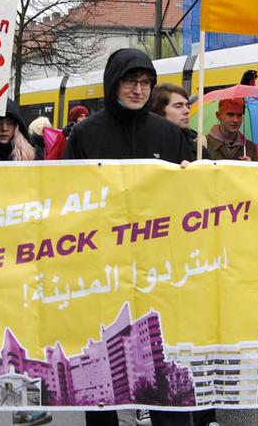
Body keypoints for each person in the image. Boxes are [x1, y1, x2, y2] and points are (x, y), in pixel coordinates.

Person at [64, 47, 193, 426]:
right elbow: (67, 199)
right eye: (130, 81)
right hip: (102, 268)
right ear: (113, 83)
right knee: (104, 368)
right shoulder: (85, 134)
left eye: (145, 83)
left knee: (162, 360)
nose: (138, 90)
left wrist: (193, 178)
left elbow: (190, 205)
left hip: (159, 267)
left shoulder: (170, 135)